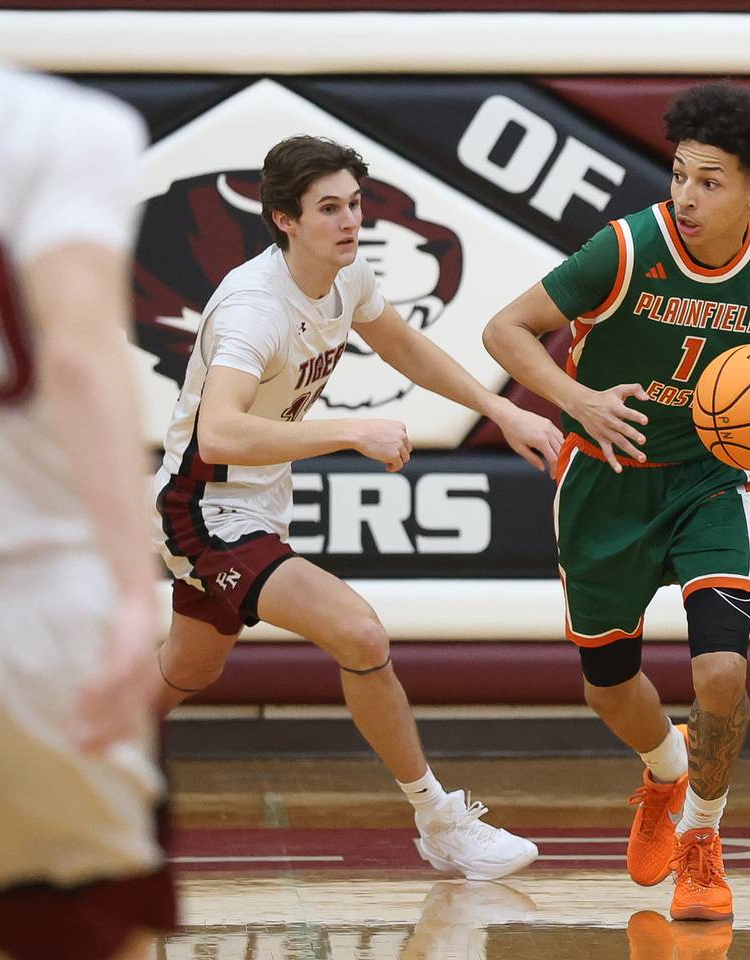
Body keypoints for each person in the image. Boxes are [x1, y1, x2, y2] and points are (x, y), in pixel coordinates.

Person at [151, 135, 563, 880]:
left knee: (187, 672)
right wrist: (351, 431)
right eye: (329, 209)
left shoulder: (347, 277)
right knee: (361, 634)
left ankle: (58, 773)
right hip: (203, 509)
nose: (350, 222)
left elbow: (404, 347)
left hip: (257, 501)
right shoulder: (253, 308)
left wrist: (499, 411)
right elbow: (218, 431)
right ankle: (440, 820)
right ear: (283, 218)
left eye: (356, 204)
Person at [483, 81, 750, 922]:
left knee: (721, 672)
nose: (686, 194)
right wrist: (578, 399)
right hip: (609, 477)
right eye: (679, 173)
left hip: (716, 481)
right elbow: (504, 331)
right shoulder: (626, 249)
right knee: (608, 684)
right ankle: (666, 773)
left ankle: (704, 840)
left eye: (710, 180)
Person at [0, 64, 176, 960]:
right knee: (81, 937)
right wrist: (133, 589)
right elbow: (76, 357)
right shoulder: (53, 125)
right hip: (29, 590)